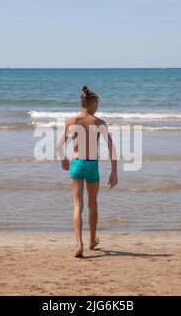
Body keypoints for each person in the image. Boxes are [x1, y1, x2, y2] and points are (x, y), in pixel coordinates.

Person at [57, 86, 118, 258]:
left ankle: (79, 244)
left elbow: (59, 146)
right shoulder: (99, 123)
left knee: (78, 206)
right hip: (92, 165)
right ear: (92, 104)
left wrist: (63, 159)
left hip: (76, 164)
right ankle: (92, 240)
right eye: (97, 103)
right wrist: (114, 171)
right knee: (93, 204)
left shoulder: (71, 121)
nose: (98, 106)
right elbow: (112, 149)